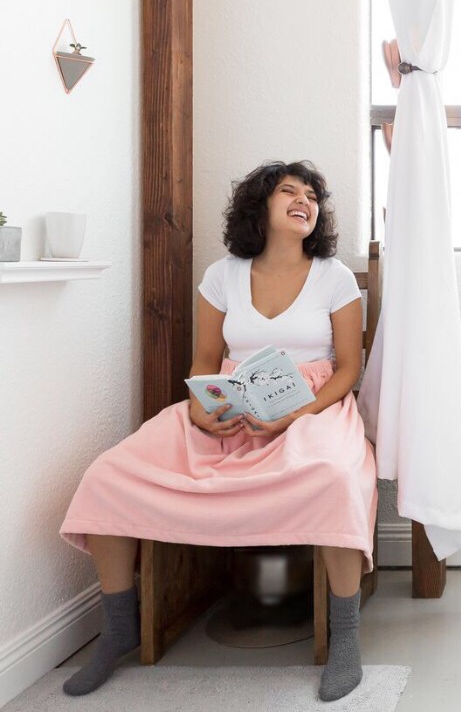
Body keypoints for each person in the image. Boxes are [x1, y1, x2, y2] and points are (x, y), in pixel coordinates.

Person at [60, 161, 376, 701]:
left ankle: (345, 636)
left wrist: (294, 415)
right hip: (232, 406)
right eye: (289, 191)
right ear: (259, 205)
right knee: (109, 473)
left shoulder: (334, 277)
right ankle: (119, 626)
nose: (304, 201)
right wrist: (200, 409)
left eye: (312, 196)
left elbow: (347, 368)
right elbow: (205, 361)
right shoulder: (222, 275)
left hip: (312, 407)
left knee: (335, 477)